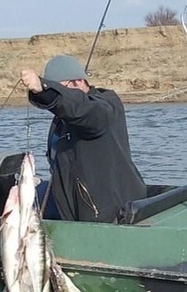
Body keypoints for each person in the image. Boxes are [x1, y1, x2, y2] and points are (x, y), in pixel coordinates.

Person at [20, 54, 146, 222]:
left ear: (79, 82)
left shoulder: (104, 105)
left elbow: (81, 108)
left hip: (108, 209)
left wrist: (44, 88)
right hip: (68, 196)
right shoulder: (63, 116)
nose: (58, 96)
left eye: (61, 89)